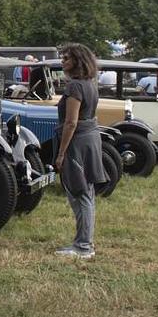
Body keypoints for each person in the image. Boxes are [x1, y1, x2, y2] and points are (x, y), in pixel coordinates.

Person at [52, 43, 108, 259]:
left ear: (77, 61)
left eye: (66, 58)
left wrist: (61, 153)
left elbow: (71, 122)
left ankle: (83, 246)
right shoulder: (90, 83)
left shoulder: (75, 87)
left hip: (78, 142)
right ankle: (85, 243)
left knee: (80, 193)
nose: (62, 61)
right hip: (90, 139)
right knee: (87, 193)